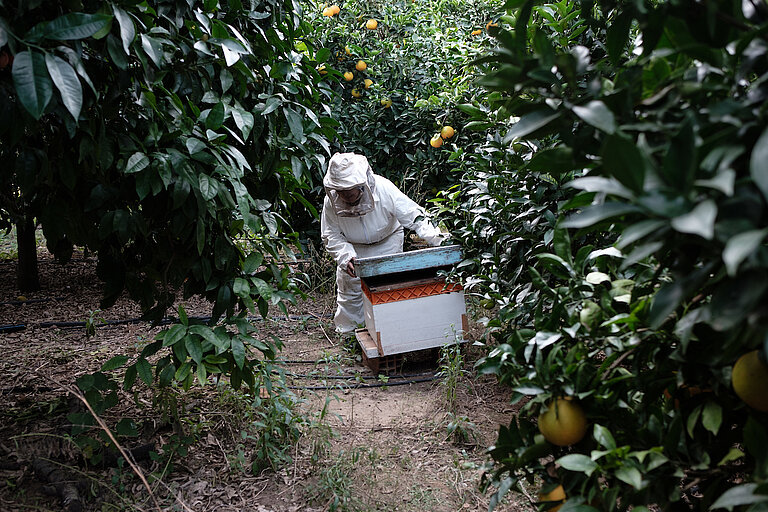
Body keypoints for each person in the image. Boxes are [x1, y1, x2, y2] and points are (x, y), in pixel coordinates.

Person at [320, 152, 448, 334]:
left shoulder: (384, 188)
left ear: (361, 184)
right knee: (350, 293)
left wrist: (441, 240)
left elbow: (414, 216)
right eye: (340, 191)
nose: (345, 196)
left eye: (349, 191)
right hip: (353, 250)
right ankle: (349, 335)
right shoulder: (330, 202)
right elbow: (330, 234)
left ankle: (390, 332)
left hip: (387, 242)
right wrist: (344, 255)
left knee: (387, 290)